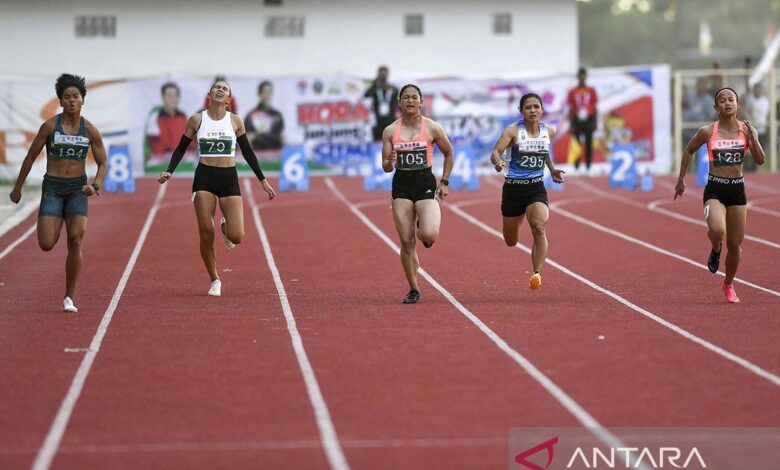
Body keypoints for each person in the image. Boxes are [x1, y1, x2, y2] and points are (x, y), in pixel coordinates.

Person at [159, 79, 277, 296]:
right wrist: (170, 170)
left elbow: (248, 152)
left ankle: (226, 228)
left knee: (237, 236)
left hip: (228, 178)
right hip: (204, 177)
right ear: (210, 94)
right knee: (205, 232)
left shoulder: (236, 121)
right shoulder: (197, 120)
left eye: (224, 88)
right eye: (217, 87)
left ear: (229, 98)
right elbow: (180, 148)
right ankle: (215, 279)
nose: (220, 90)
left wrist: (262, 180)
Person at [8, 73, 107, 312]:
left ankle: (69, 297)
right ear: (60, 101)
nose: (72, 101)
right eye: (67, 97)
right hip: (52, 187)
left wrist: (94, 186)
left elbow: (103, 162)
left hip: (77, 189)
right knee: (46, 243)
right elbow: (30, 157)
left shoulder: (90, 130)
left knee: (75, 239)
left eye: (76, 97)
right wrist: (18, 188)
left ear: (83, 100)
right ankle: (55, 219)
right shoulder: (50, 126)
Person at [674, 87, 765, 303]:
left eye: (731, 99)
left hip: (737, 191)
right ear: (716, 108)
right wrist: (680, 180)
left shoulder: (747, 131)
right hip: (715, 188)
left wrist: (754, 139)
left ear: (738, 104)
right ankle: (715, 247)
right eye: (722, 100)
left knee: (735, 245)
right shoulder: (708, 131)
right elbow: (689, 151)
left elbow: (761, 160)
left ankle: (729, 284)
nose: (727, 103)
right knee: (717, 230)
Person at [382, 84, 453, 304]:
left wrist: (445, 181)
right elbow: (385, 166)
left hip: (425, 183)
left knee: (429, 234)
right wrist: (389, 161)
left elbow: (449, 154)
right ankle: (414, 288)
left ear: (421, 102)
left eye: (414, 97)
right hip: (402, 185)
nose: (410, 101)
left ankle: (426, 232)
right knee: (406, 241)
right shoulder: (391, 131)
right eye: (406, 98)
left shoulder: (432, 128)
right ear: (399, 102)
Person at [488, 93, 565, 290]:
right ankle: (517, 220)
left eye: (536, 107)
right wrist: (498, 163)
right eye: (528, 107)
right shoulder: (513, 131)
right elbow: (495, 152)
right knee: (510, 241)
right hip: (513, 189)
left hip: (535, 188)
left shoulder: (549, 130)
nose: (532, 111)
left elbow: (544, 150)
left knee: (539, 226)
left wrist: (552, 168)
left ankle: (537, 274)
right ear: (521, 111)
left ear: (542, 109)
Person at [145, 82, 189, 167]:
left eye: (175, 96)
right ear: (163, 98)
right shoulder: (155, 117)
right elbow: (153, 143)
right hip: (162, 157)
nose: (173, 99)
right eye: (169, 96)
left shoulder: (183, 117)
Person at [567, 68, 598, 173]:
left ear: (586, 77)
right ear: (578, 77)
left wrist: (595, 122)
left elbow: (595, 107)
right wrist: (571, 124)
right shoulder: (572, 91)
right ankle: (576, 167)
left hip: (589, 119)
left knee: (589, 143)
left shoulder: (591, 90)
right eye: (580, 76)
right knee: (577, 143)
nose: (582, 78)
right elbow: (570, 108)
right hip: (577, 120)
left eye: (583, 76)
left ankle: (588, 167)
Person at [244, 80, 284, 152]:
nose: (267, 95)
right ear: (259, 94)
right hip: (258, 156)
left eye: (269, 92)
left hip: (275, 156)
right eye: (264, 92)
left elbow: (281, 137)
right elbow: (247, 139)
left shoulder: (277, 115)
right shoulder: (251, 116)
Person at [366, 66, 399, 142]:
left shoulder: (393, 88)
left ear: (388, 74)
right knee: (377, 141)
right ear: (378, 74)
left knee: (391, 141)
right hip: (377, 121)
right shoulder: (374, 88)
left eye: (385, 73)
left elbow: (398, 101)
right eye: (381, 73)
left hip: (390, 120)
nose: (383, 75)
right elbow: (366, 95)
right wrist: (374, 84)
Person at [742, 82, 769, 172]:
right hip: (751, 131)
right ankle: (747, 169)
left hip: (761, 130)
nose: (757, 91)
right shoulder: (750, 99)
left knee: (758, 152)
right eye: (755, 89)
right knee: (747, 152)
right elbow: (745, 110)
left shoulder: (765, 101)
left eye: (759, 89)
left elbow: (766, 115)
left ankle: (754, 170)